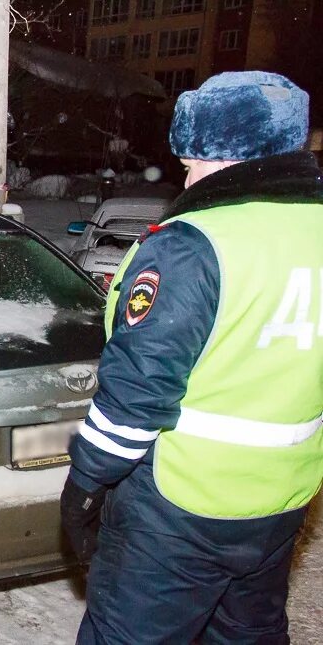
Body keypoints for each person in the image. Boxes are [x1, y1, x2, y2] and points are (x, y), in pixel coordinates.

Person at [60, 71, 323, 642]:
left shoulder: (193, 245)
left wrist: (85, 483)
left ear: (221, 154)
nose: (185, 175)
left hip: (179, 507)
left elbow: (135, 396)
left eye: (190, 162)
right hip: (280, 501)